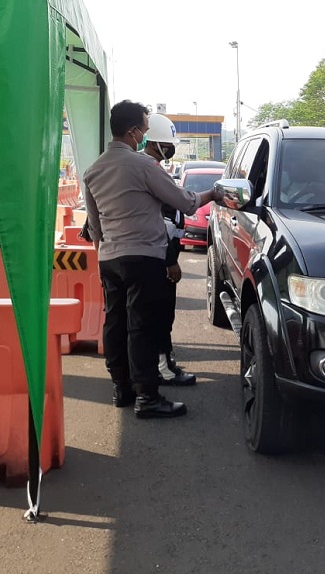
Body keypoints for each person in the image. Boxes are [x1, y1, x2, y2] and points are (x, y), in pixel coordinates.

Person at [83, 100, 219, 419]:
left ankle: (122, 389)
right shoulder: (143, 166)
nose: (145, 134)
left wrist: (103, 258)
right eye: (144, 128)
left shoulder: (93, 170)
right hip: (143, 258)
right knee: (141, 327)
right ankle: (147, 397)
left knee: (115, 324)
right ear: (133, 131)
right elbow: (185, 202)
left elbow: (94, 226)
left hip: (109, 259)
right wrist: (212, 195)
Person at [143, 113, 197, 387]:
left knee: (156, 316)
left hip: (153, 256)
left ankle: (159, 365)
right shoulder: (151, 171)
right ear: (154, 143)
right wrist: (170, 261)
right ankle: (163, 369)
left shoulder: (152, 169)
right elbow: (164, 224)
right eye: (167, 144)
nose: (170, 148)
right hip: (159, 259)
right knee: (161, 316)